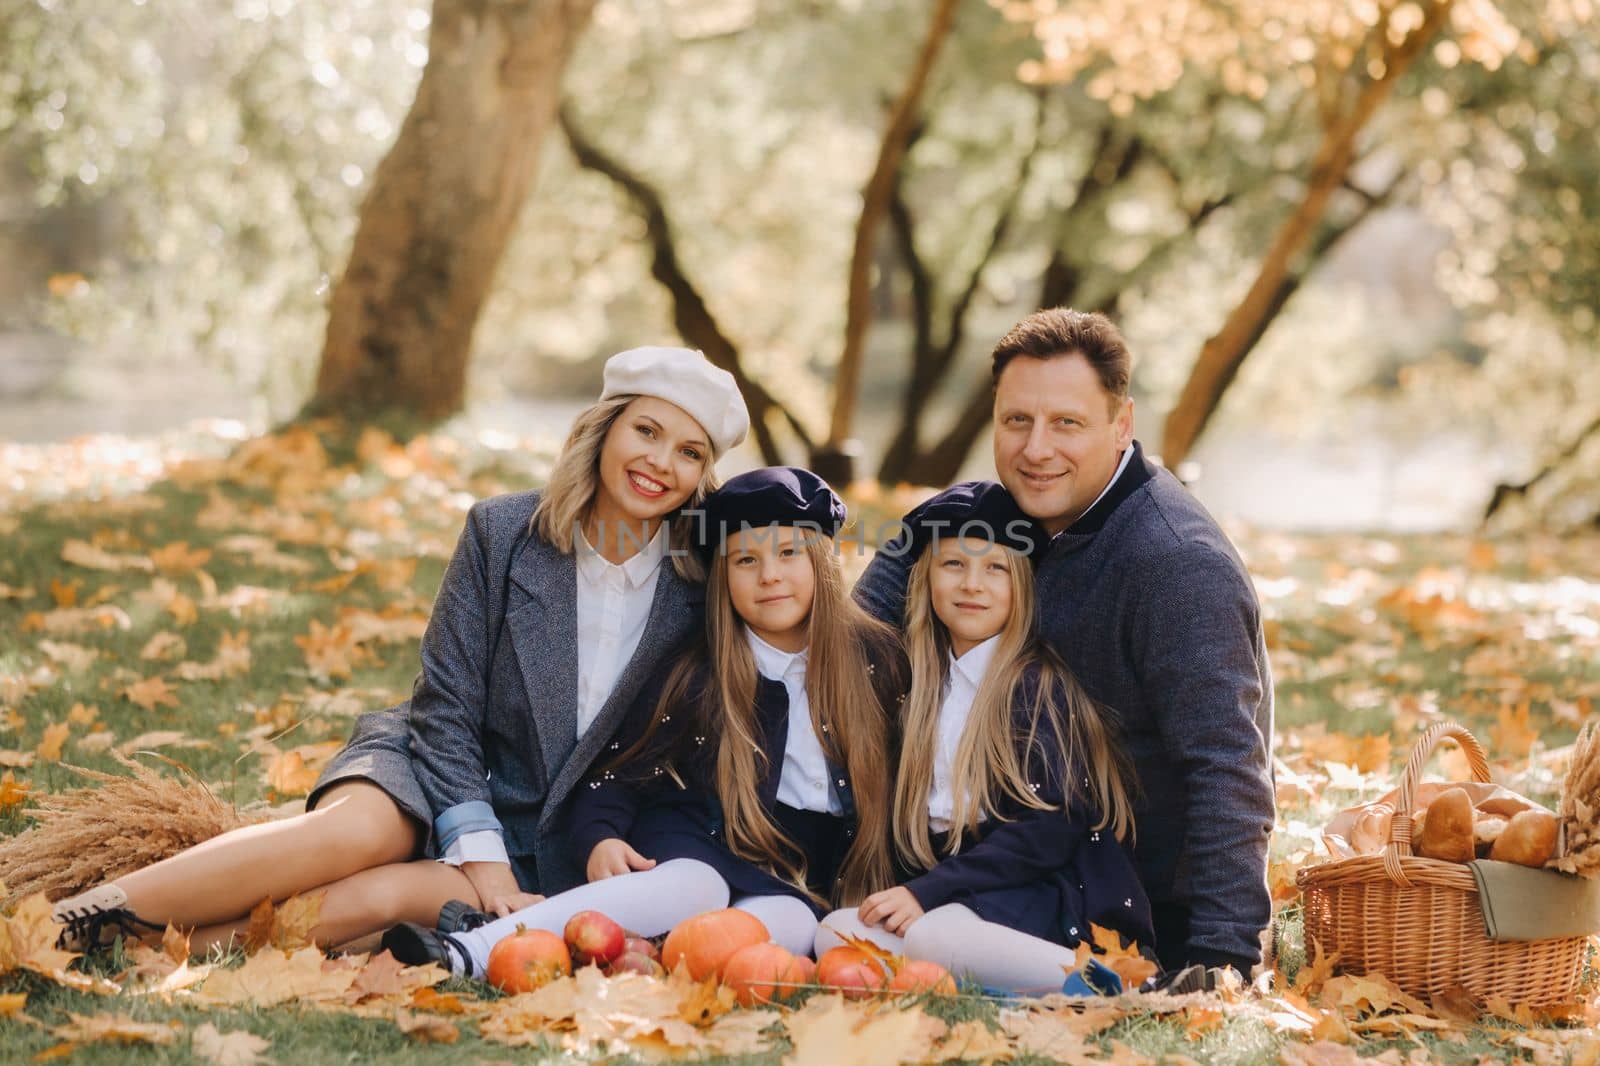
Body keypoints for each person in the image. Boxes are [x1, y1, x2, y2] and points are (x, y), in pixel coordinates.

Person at [51, 347, 750, 953]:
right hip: (430, 762)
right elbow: (444, 710)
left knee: (372, 901)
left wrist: (507, 870)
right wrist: (481, 859)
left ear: (702, 477)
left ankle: (130, 950)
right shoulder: (503, 534)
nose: (661, 462)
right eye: (647, 431)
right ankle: (71, 921)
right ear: (604, 429)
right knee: (353, 839)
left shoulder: (702, 588)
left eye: (689, 452)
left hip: (544, 836)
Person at [854, 309, 1274, 981]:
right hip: (973, 866)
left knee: (931, 943)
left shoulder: (1173, 563)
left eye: (1067, 424)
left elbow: (1226, 764)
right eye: (1017, 421)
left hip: (1110, 896)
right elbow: (851, 648)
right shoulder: (1001, 517)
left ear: (1122, 425)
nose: (1036, 449)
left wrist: (1222, 954)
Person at [379, 467, 905, 975]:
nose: (769, 575)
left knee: (788, 928)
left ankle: (626, 954)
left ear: (822, 560)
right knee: (696, 887)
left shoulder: (875, 661)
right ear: (722, 577)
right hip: (697, 843)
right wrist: (600, 837)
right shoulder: (700, 670)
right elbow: (618, 769)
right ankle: (474, 948)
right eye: (746, 560)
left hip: (794, 879)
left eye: (789, 553)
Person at [816, 482, 1150, 993]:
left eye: (995, 568)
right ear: (926, 580)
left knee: (933, 935)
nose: (973, 584)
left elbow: (1048, 831)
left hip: (1046, 889)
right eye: (954, 565)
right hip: (964, 893)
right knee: (838, 931)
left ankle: (1119, 991)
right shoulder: (920, 687)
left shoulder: (1035, 689)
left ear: (1022, 585)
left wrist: (927, 892)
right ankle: (997, 990)